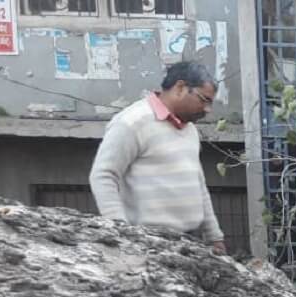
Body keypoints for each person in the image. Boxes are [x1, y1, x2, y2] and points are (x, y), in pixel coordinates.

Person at [90, 61, 225, 254]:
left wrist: (214, 236)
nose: (207, 109)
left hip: (191, 242)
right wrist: (120, 231)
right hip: (148, 243)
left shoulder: (189, 130)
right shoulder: (132, 122)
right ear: (180, 88)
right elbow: (103, 175)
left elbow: (198, 183)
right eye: (204, 100)